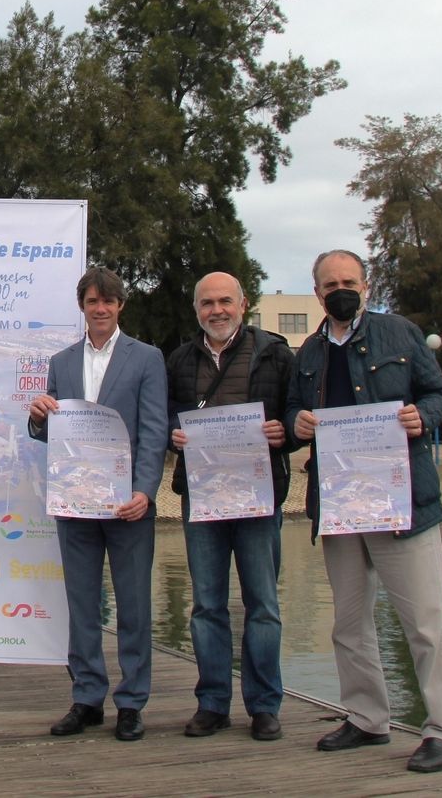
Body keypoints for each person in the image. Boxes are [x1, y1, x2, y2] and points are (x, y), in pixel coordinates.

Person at [284, 249, 442, 773]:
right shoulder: (310, 353)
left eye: (349, 281)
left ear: (365, 286)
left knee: (425, 621)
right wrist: (297, 423)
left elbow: (440, 392)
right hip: (339, 504)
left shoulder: (400, 334)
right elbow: (295, 409)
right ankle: (366, 718)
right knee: (348, 622)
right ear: (317, 292)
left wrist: (422, 417)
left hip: (401, 500)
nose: (340, 289)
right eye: (330, 283)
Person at [27, 266, 167, 742]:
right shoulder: (62, 362)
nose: (100, 308)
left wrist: (145, 492)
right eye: (92, 301)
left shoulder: (147, 358)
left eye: (108, 301)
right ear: (82, 306)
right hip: (76, 503)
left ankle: (131, 702)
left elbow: (154, 431)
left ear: (120, 306)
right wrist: (37, 416)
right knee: (82, 604)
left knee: (133, 607)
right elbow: (52, 432)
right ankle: (87, 697)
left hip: (127, 504)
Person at [165, 272, 295, 742]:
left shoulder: (275, 353)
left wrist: (287, 433)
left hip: (260, 497)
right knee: (206, 606)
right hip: (202, 497)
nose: (216, 310)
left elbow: (295, 413)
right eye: (206, 303)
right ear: (196, 309)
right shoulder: (179, 358)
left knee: (263, 605)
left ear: (243, 305)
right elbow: (166, 415)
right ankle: (213, 703)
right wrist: (171, 435)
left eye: (225, 301)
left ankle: (264, 706)